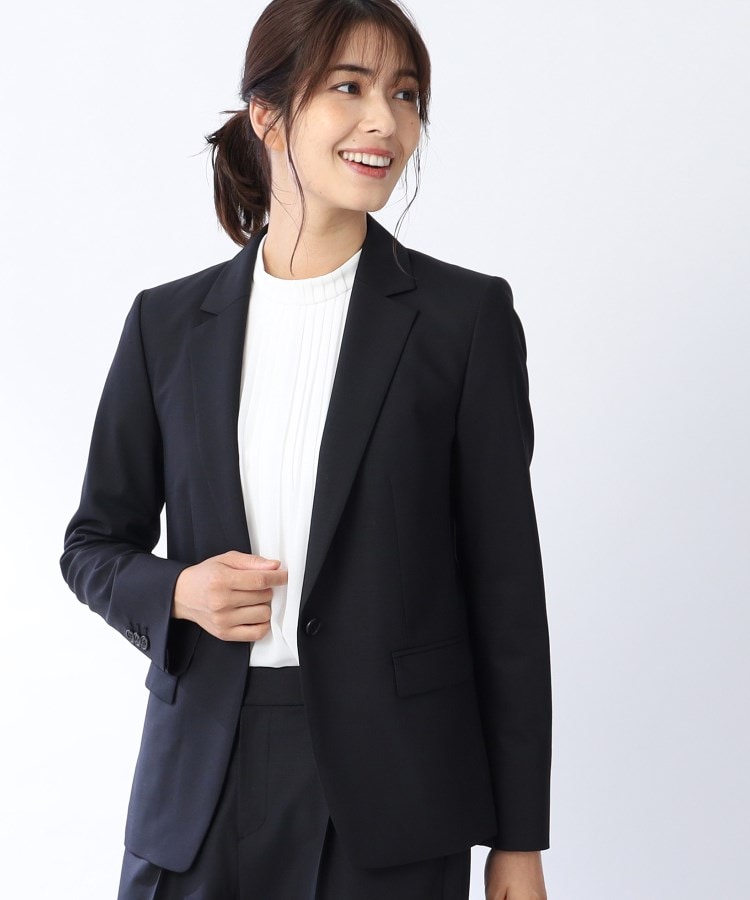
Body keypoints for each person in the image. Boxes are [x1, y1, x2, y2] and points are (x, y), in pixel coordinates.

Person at [60, 1, 553, 897]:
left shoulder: (463, 320)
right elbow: (93, 543)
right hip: (198, 787)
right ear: (269, 114)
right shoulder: (166, 325)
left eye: (405, 95)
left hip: (394, 797)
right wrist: (179, 591)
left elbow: (507, 592)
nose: (385, 122)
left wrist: (518, 838)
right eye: (349, 87)